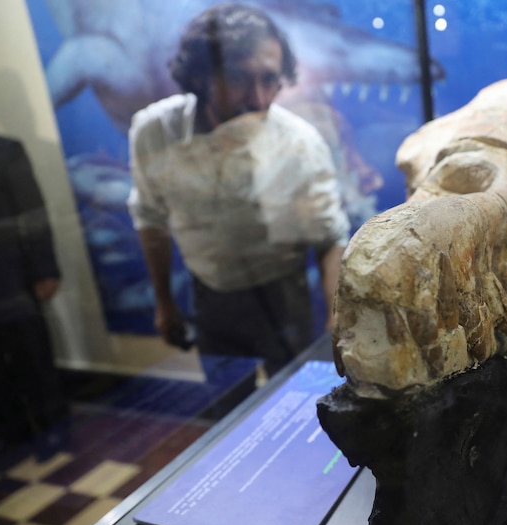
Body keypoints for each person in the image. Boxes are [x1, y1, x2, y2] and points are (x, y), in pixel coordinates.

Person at [128, 3, 350, 376]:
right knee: (226, 399)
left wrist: (335, 320)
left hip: (285, 296)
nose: (259, 99)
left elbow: (330, 236)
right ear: (200, 74)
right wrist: (164, 303)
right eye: (239, 78)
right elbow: (151, 219)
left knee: (298, 401)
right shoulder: (156, 132)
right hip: (210, 294)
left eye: (269, 79)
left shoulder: (299, 142)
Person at [0, 131, 67, 458]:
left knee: (31, 355)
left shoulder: (2, 151)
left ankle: (53, 427)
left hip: (10, 276)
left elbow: (34, 215)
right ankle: (8, 430)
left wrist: (45, 270)